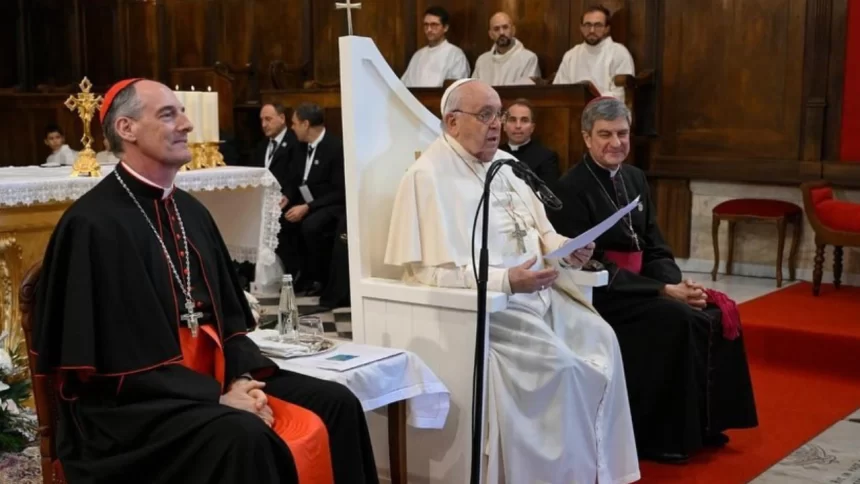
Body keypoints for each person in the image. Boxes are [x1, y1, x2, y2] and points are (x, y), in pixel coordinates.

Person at [34, 78, 378, 484]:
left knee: (336, 402)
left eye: (181, 112)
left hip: (211, 376)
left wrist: (243, 378)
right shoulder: (92, 225)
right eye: (168, 114)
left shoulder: (191, 211)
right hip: (130, 407)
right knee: (242, 435)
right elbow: (115, 367)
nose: (187, 124)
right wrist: (216, 397)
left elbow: (228, 323)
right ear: (126, 129)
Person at [384, 79, 640, 484]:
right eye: (485, 115)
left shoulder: (504, 164)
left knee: (602, 337)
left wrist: (567, 246)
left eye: (497, 115)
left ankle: (595, 471)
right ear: (452, 122)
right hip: (492, 313)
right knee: (565, 367)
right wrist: (506, 281)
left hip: (541, 296)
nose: (496, 125)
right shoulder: (426, 177)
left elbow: (539, 230)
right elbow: (427, 272)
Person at [550, 96, 758, 463]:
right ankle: (661, 438)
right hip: (605, 295)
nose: (616, 143)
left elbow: (655, 245)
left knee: (715, 312)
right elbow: (591, 265)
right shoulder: (570, 188)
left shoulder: (634, 177)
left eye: (623, 133)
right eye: (605, 135)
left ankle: (707, 426)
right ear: (586, 137)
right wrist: (664, 291)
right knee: (677, 320)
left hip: (644, 286)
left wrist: (678, 284)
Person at [278, 102, 345, 297]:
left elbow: (339, 191)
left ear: (306, 124)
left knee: (311, 226)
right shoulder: (298, 147)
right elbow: (294, 178)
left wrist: (308, 207)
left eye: (295, 123)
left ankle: (319, 278)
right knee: (282, 222)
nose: (292, 127)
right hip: (305, 201)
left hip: (330, 204)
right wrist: (287, 197)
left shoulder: (335, 147)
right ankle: (298, 274)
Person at [553, 5, 634, 102]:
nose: (592, 30)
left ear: (607, 28)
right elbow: (559, 90)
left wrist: (590, 101)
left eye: (598, 25)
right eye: (587, 25)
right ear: (581, 28)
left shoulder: (619, 53)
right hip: (573, 112)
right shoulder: (571, 55)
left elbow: (620, 95)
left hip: (607, 112)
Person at [401, 6, 470, 87]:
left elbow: (456, 88)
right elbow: (404, 85)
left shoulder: (455, 55)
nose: (429, 29)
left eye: (434, 25)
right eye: (426, 25)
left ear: (445, 28)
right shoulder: (418, 55)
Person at [472, 12, 541, 86]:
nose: (501, 32)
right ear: (490, 35)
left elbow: (530, 91)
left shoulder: (528, 58)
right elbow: (474, 89)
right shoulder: (482, 60)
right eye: (496, 29)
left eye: (505, 27)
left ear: (513, 30)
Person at [502, 98, 560, 185]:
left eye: (524, 120)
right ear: (504, 126)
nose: (518, 126)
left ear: (532, 128)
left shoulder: (546, 157)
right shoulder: (493, 153)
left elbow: (547, 194)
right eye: (512, 120)